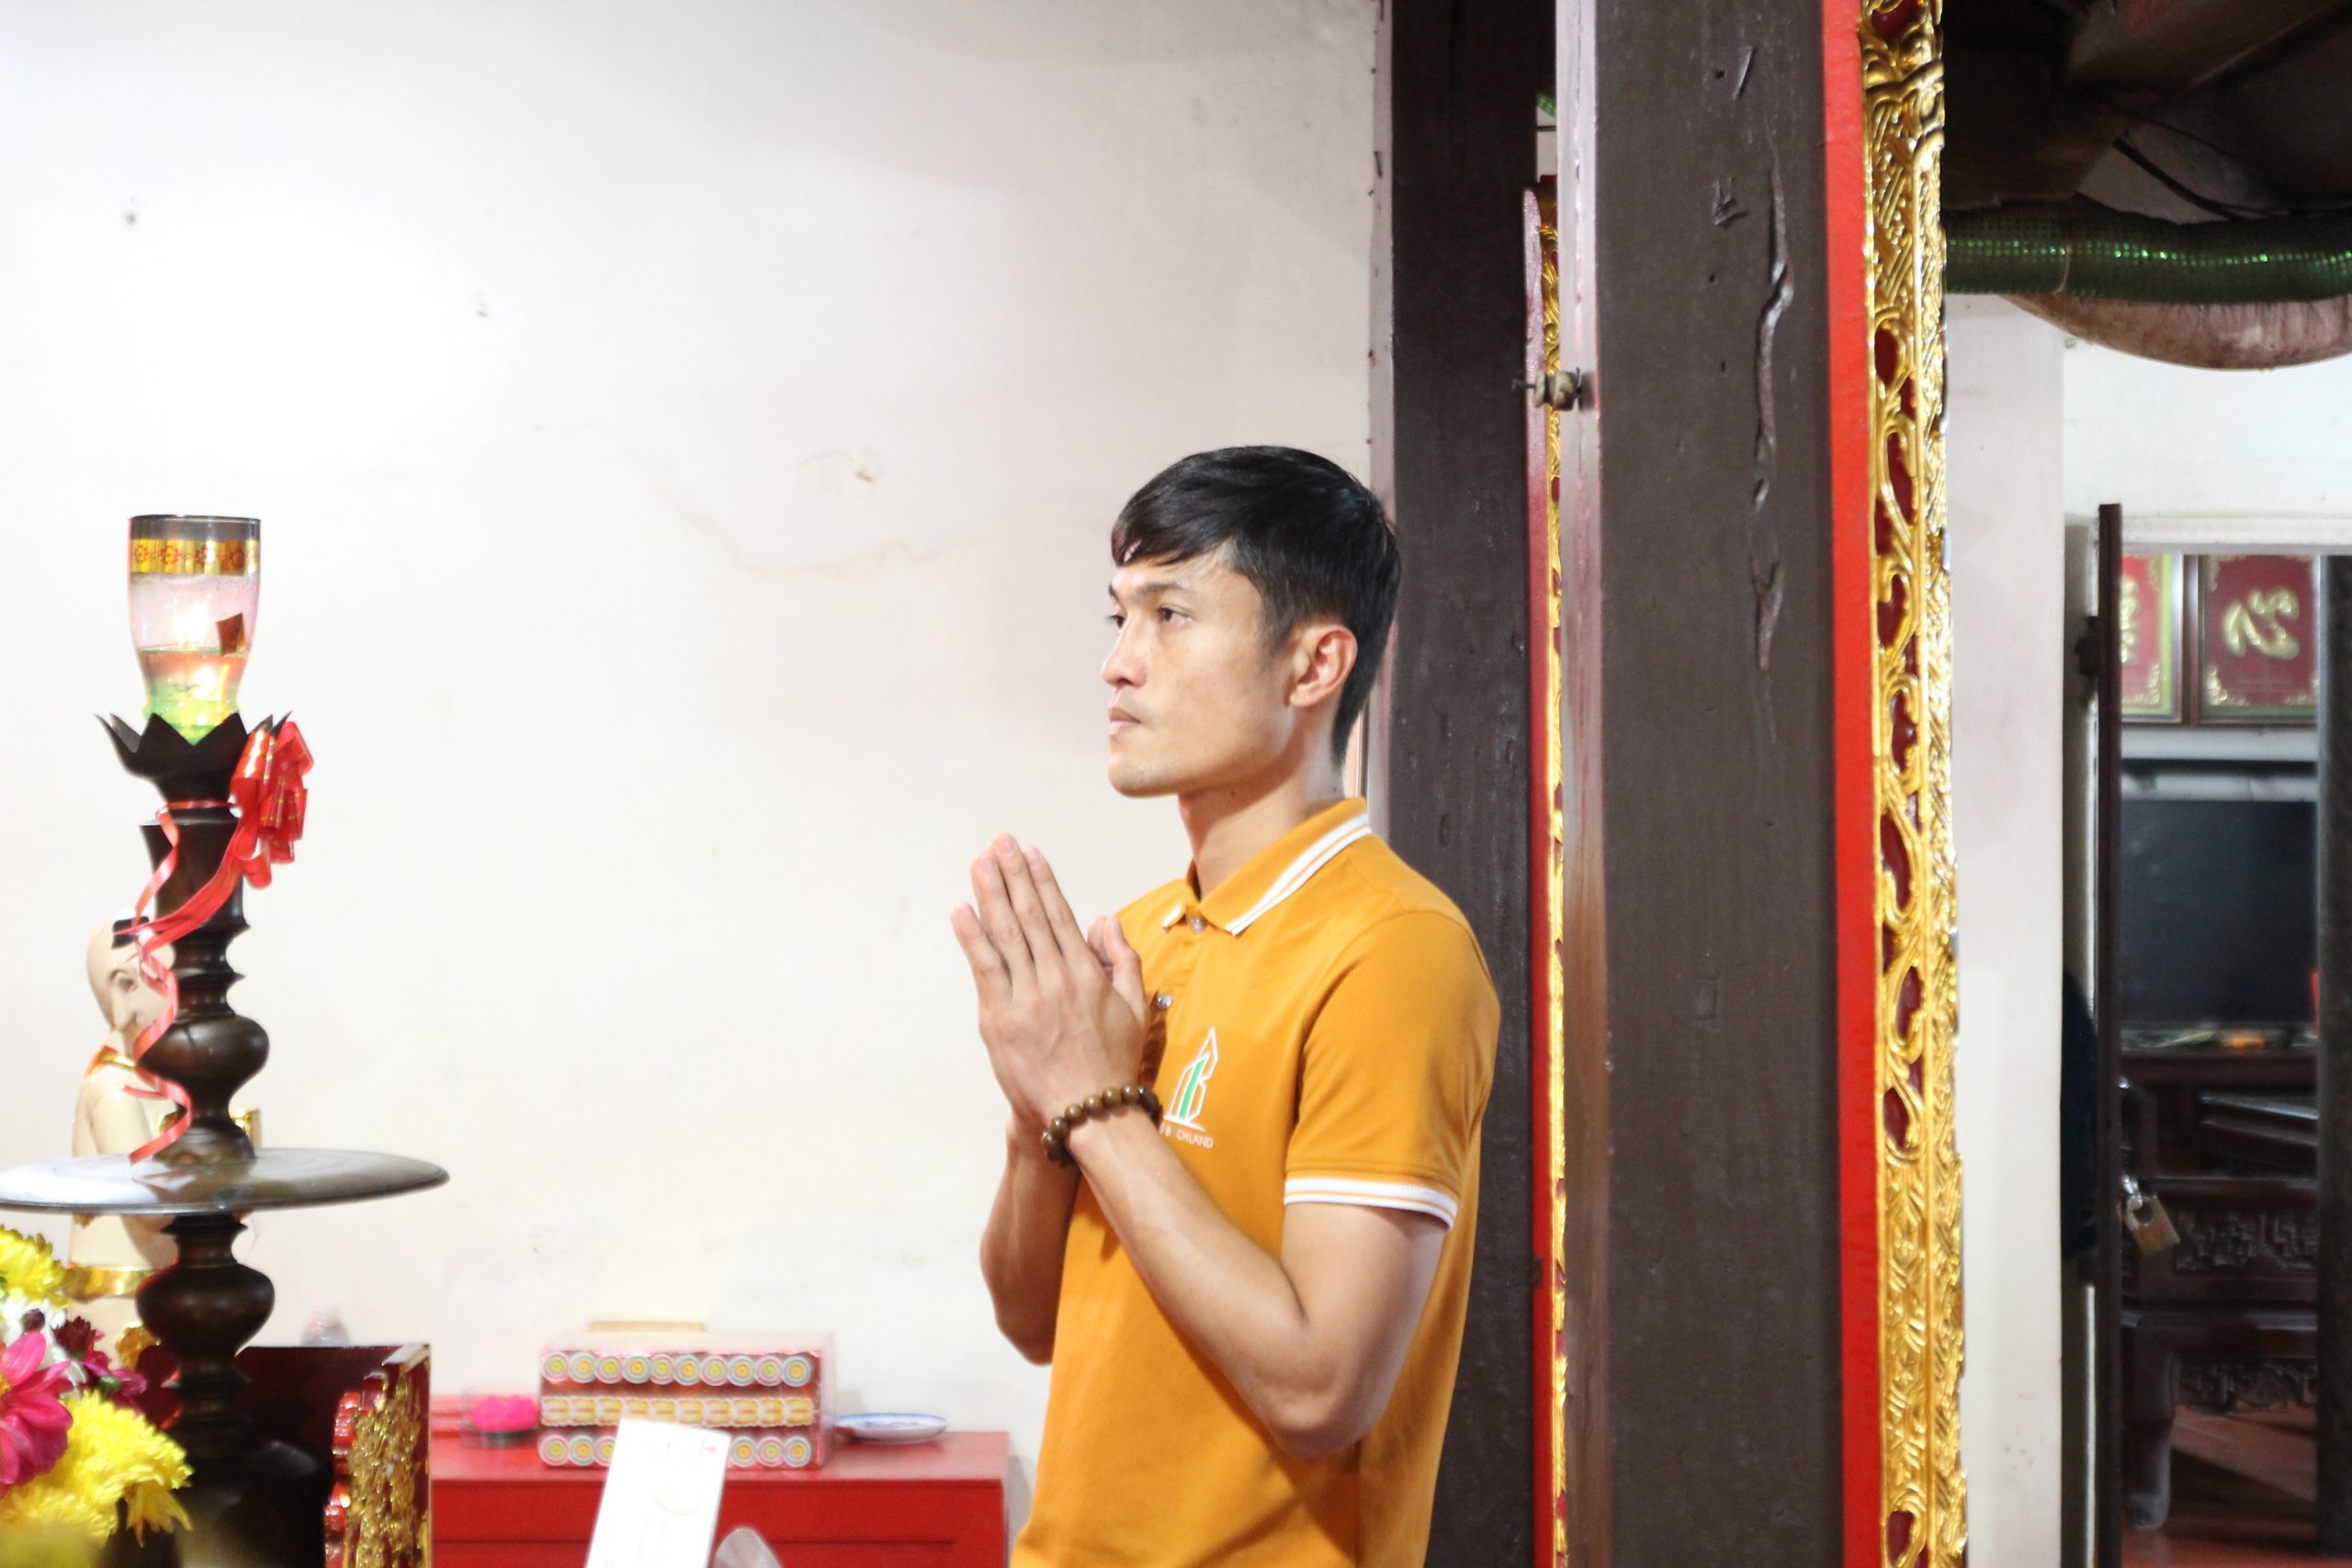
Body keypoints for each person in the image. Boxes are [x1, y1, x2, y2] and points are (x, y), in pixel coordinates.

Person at [949, 446, 1499, 1567]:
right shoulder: (1142, 935)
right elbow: (1031, 1322)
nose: (1117, 663)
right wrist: (1034, 1114)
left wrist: (1094, 1105)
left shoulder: (1394, 949)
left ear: (1313, 664)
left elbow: (1321, 1389)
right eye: (1118, 617)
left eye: (1170, 615)